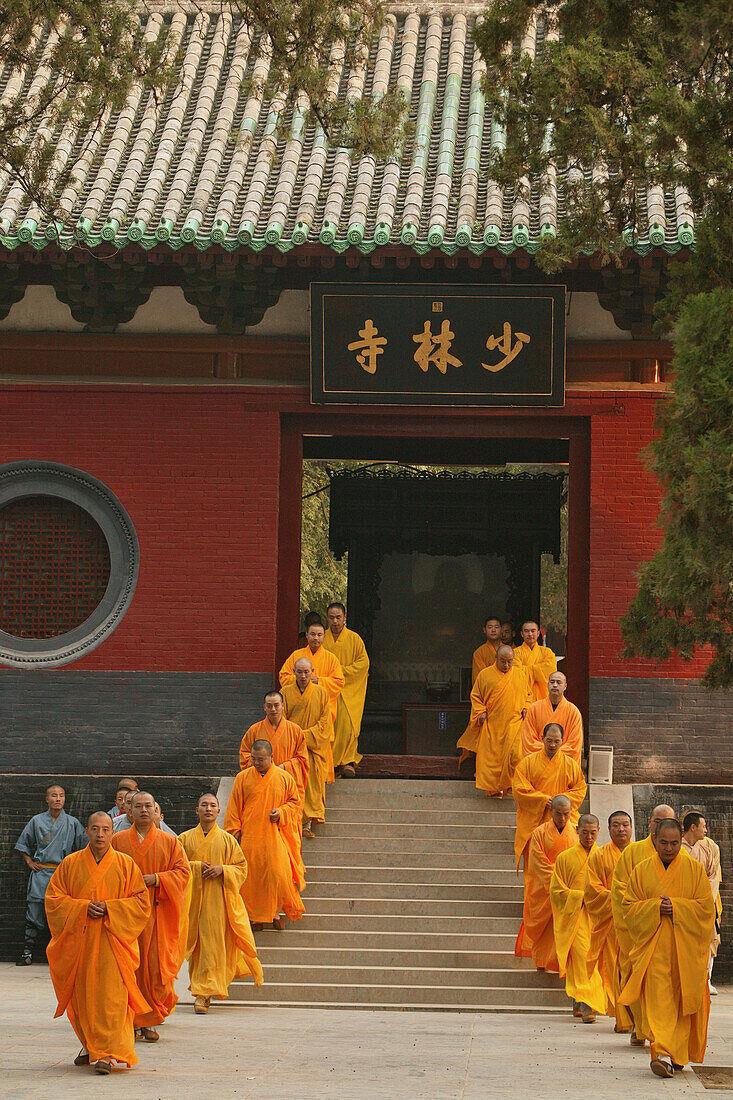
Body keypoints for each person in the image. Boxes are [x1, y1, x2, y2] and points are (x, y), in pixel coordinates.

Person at [44, 811, 151, 1074]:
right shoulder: (70, 864)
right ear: (86, 831)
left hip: (113, 944)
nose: (100, 834)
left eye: (105, 829)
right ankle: (90, 1044)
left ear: (112, 833)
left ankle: (109, 1053)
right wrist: (82, 908)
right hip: (80, 944)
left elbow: (141, 903)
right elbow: (53, 900)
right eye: (95, 829)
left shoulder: (126, 864)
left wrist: (109, 909)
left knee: (112, 999)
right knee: (83, 998)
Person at [619, 818, 715, 1079]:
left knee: (683, 1002)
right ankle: (661, 1053)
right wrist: (654, 908)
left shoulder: (694, 871)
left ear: (681, 839)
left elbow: (707, 909)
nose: (669, 848)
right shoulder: (641, 870)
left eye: (674, 843)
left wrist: (678, 907)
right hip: (655, 952)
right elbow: (628, 907)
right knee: (660, 1002)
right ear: (654, 838)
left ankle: (676, 1053)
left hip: (686, 953)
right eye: (663, 843)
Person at [111, 791, 191, 1041]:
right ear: (129, 811)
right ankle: (133, 1022)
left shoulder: (169, 842)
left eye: (148, 806)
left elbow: (183, 873)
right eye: (138, 806)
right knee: (130, 969)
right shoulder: (117, 841)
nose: (144, 810)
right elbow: (108, 873)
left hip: (158, 916)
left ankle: (150, 1019)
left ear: (155, 810)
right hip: (127, 917)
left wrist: (156, 878)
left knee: (156, 971)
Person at [179, 793, 263, 1015]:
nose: (208, 809)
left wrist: (223, 870)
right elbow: (175, 868)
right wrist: (196, 867)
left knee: (211, 947)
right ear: (196, 810)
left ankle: (203, 994)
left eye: (213, 806)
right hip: (191, 903)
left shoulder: (227, 840)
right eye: (204, 805)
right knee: (198, 949)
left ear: (218, 812)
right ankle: (202, 990)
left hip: (217, 903)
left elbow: (241, 868)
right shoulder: (183, 839)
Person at [611, 803, 676, 1044]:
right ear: (649, 822)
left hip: (669, 929)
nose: (660, 826)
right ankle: (640, 1025)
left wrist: (675, 909)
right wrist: (649, 910)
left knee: (662, 981)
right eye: (657, 821)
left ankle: (658, 1030)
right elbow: (619, 890)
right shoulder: (633, 852)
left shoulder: (682, 856)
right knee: (635, 977)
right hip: (637, 930)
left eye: (666, 821)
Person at [224, 740, 305, 931]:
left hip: (275, 835)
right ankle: (255, 917)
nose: (256, 763)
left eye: (261, 759)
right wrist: (235, 831)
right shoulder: (243, 777)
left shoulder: (285, 778)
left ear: (272, 758)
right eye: (253, 759)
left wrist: (282, 812)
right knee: (251, 878)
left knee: (277, 874)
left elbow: (295, 803)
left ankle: (275, 912)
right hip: (250, 836)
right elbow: (234, 807)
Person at [14, 783, 87, 965]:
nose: (58, 799)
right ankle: (27, 953)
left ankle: (63, 955)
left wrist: (74, 868)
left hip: (62, 875)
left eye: (61, 795)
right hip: (41, 873)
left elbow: (83, 848)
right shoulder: (37, 821)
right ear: (47, 799)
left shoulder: (72, 823)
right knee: (35, 913)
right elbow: (23, 843)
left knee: (63, 915)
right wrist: (30, 861)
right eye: (54, 796)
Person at [550, 813, 606, 1023]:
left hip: (599, 916)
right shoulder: (565, 858)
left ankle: (576, 999)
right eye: (585, 833)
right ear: (577, 831)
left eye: (593, 833)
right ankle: (587, 1003)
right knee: (583, 958)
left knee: (594, 961)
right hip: (577, 915)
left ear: (599, 832)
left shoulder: (604, 856)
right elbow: (556, 890)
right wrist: (579, 898)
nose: (589, 837)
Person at [457, 644, 530, 797]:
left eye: (510, 661)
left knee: (515, 756)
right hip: (492, 725)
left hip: (514, 724)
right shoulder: (485, 675)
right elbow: (475, 696)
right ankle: (494, 789)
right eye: (503, 661)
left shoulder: (520, 674)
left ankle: (509, 785)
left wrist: (526, 707)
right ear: (495, 659)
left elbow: (528, 695)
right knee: (492, 761)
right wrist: (480, 712)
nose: (506, 665)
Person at [515, 795, 578, 972]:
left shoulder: (577, 831)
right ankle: (542, 963)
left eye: (566, 814)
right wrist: (559, 882)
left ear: (571, 812)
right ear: (551, 812)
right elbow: (537, 862)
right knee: (544, 931)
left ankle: (564, 967)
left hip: (569, 889)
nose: (563, 818)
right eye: (558, 814)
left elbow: (583, 859)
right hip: (546, 890)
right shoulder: (539, 833)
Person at [511, 723, 586, 869]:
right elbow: (519, 789)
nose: (552, 745)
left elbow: (580, 789)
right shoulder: (528, 763)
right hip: (536, 821)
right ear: (542, 738)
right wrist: (544, 800)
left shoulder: (570, 764)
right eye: (549, 740)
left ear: (562, 741)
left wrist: (561, 802)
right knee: (536, 868)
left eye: (557, 741)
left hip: (562, 821)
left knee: (564, 865)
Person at [584, 810, 633, 1028]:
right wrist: (619, 898)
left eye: (625, 825)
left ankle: (631, 1017)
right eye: (616, 825)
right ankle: (619, 1014)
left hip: (635, 923)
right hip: (610, 923)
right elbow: (592, 891)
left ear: (631, 827)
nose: (621, 829)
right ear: (609, 829)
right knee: (613, 969)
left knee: (632, 972)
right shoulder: (599, 855)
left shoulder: (641, 854)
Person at [281, 659, 332, 837]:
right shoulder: (285, 693)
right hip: (292, 749)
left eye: (306, 672)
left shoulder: (321, 693)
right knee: (291, 785)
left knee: (311, 786)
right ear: (294, 672)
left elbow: (325, 723)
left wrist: (304, 735)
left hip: (311, 749)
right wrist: (294, 737)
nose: (303, 676)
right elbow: (281, 720)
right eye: (300, 672)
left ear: (312, 672)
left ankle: (306, 824)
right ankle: (291, 822)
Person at [239, 690, 309, 820]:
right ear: (264, 707)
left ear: (283, 706)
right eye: (269, 705)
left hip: (285, 785)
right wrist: (262, 767)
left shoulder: (295, 731)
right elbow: (244, 754)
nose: (273, 709)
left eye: (276, 705)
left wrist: (282, 767)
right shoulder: (254, 730)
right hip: (260, 783)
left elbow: (302, 760)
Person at [323, 601, 370, 777]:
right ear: (326, 618)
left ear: (344, 617)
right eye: (331, 617)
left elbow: (363, 664)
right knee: (330, 725)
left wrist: (340, 672)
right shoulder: (322, 638)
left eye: (338, 617)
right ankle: (330, 762)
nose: (335, 621)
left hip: (349, 690)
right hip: (327, 691)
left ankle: (347, 761)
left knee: (348, 726)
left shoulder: (354, 639)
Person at [682, 811, 722, 995]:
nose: (706, 830)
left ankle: (706, 978)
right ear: (692, 827)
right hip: (683, 902)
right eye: (703, 826)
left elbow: (714, 876)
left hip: (706, 900)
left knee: (710, 939)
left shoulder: (710, 846)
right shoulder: (677, 846)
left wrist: (707, 901)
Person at [280, 621, 345, 724]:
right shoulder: (296, 655)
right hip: (297, 709)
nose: (316, 638)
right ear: (307, 635)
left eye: (319, 635)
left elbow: (339, 682)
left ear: (324, 636)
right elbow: (284, 677)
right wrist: (301, 680)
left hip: (320, 709)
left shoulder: (331, 659)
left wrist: (318, 681)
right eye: (312, 634)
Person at [520, 672, 583, 763]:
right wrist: (547, 753)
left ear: (565, 686)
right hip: (538, 763)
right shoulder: (534, 709)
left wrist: (551, 753)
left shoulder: (573, 712)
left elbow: (573, 745)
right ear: (548, 684)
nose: (555, 685)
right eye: (552, 682)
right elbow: (528, 742)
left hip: (562, 765)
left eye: (559, 682)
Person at [513, 620, 557, 702]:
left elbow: (551, 671)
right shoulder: (515, 653)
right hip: (523, 698)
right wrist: (538, 669)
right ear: (522, 634)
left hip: (543, 697)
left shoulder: (547, 652)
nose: (530, 634)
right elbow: (516, 674)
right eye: (526, 631)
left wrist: (526, 669)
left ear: (538, 633)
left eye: (533, 631)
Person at [471, 616, 502, 685]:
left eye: (496, 627)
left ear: (501, 629)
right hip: (488, 690)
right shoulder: (479, 653)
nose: (493, 630)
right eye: (490, 627)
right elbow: (479, 678)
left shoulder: (510, 650)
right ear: (484, 630)